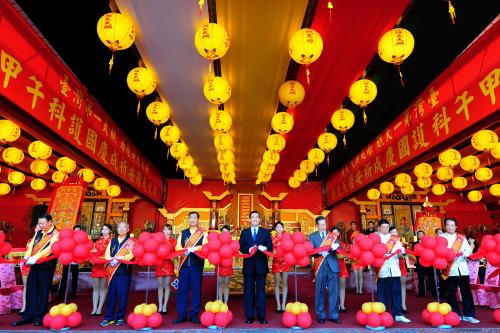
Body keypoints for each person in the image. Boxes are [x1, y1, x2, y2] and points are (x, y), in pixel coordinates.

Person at [12, 213, 59, 327]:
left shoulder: (56, 234)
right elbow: (31, 246)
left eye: (42, 223)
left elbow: (50, 249)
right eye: (39, 223)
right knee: (31, 290)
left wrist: (36, 257)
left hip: (46, 265)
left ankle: (39, 317)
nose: (40, 225)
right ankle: (28, 316)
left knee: (43, 291)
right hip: (34, 264)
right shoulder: (39, 232)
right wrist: (27, 256)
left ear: (50, 222)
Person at [442, 217, 480, 323]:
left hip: (463, 269)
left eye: (452, 225)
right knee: (451, 293)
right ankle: (455, 313)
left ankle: (469, 315)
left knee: (466, 292)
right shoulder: (441, 237)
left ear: (456, 226)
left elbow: (468, 251)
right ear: (445, 226)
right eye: (448, 225)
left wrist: (465, 253)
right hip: (449, 269)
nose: (450, 227)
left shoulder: (462, 238)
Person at [173, 212, 207, 324]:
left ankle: (194, 314)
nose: (192, 220)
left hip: (196, 266)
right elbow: (177, 247)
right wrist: (183, 250)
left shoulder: (203, 233)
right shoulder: (183, 233)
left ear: (198, 219)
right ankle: (181, 315)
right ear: (189, 219)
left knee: (196, 290)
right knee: (182, 291)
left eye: (194, 218)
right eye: (190, 218)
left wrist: (197, 248)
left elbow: (206, 247)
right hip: (184, 266)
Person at [239, 211, 273, 324]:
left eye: (256, 217)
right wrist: (248, 249)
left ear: (259, 220)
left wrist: (265, 248)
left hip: (261, 266)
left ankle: (261, 316)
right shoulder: (244, 232)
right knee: (248, 292)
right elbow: (241, 247)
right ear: (250, 219)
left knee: (261, 292)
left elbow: (270, 247)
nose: (254, 219)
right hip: (248, 266)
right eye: (252, 217)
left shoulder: (265, 232)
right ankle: (249, 316)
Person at [100, 222, 135, 327]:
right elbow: (106, 254)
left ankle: (120, 317)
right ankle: (108, 317)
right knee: (111, 295)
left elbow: (131, 255)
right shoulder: (113, 240)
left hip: (123, 272)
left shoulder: (131, 242)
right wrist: (110, 260)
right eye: (119, 227)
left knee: (122, 296)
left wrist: (120, 259)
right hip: (112, 272)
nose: (121, 229)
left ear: (128, 229)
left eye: (124, 227)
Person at [376, 219, 411, 323]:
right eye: (383, 227)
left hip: (394, 269)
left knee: (396, 291)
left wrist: (404, 252)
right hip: (382, 269)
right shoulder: (376, 238)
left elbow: (401, 250)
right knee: (382, 293)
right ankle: (382, 314)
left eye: (387, 227)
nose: (386, 229)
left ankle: (398, 313)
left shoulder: (394, 239)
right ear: (379, 228)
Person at [310, 216, 341, 324]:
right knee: (320, 291)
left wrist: (336, 246)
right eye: (321, 224)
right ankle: (321, 315)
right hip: (320, 266)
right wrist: (319, 252)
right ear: (317, 225)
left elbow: (340, 249)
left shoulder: (332, 236)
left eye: (324, 224)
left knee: (334, 291)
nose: (323, 226)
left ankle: (334, 315)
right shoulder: (313, 236)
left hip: (332, 266)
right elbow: (310, 251)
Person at [90, 223, 112, 316]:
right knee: (95, 289)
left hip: (105, 266)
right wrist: (92, 257)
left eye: (106, 229)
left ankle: (99, 308)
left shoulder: (112, 241)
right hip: (96, 266)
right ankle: (94, 308)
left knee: (103, 289)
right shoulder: (97, 242)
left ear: (110, 231)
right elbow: (93, 253)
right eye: (103, 229)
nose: (104, 231)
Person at [19, 223, 41, 314]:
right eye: (36, 227)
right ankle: (24, 307)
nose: (38, 229)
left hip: (38, 266)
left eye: (40, 227)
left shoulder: (45, 241)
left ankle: (35, 307)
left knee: (37, 287)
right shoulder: (30, 241)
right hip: (27, 266)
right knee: (26, 286)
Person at [58, 225, 83, 300]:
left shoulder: (81, 240)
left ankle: (73, 294)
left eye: (78, 230)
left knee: (74, 278)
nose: (77, 232)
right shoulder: (69, 238)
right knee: (64, 278)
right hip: (67, 261)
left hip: (75, 262)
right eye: (75, 230)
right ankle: (61, 294)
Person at [156, 224, 177, 314]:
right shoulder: (158, 241)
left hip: (169, 263)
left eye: (169, 230)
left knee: (167, 284)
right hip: (160, 263)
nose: (167, 231)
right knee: (160, 284)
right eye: (165, 229)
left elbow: (176, 254)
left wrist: (176, 263)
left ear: (171, 231)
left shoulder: (174, 241)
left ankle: (165, 305)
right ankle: (160, 305)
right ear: (163, 231)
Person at [389, 227, 408, 313]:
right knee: (393, 286)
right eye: (392, 232)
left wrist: (407, 262)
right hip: (392, 266)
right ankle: (395, 304)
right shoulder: (388, 244)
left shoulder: (401, 243)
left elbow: (406, 255)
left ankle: (403, 305)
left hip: (401, 265)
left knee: (402, 285)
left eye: (396, 232)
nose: (395, 234)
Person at [413, 230, 436, 298]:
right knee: (421, 279)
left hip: (429, 263)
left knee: (431, 279)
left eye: (422, 234)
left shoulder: (429, 243)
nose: (420, 236)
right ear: (417, 236)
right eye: (419, 234)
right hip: (420, 264)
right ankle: (421, 293)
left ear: (424, 235)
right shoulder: (415, 244)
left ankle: (434, 293)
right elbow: (414, 254)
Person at [271, 222, 289, 313]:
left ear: (283, 228)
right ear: (275, 228)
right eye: (278, 227)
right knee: (277, 284)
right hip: (276, 262)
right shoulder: (272, 238)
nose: (279, 228)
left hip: (285, 262)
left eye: (281, 227)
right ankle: (278, 304)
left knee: (285, 283)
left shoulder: (287, 237)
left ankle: (284, 304)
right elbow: (270, 249)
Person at [331, 227, 348, 313]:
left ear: (338, 234)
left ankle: (342, 305)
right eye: (333, 232)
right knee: (334, 287)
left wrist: (339, 255)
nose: (335, 234)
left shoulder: (341, 243)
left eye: (336, 232)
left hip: (341, 266)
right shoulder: (328, 243)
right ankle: (336, 304)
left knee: (342, 286)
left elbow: (344, 254)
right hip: (333, 267)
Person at [217, 225, 233, 304]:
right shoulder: (217, 242)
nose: (225, 234)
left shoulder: (232, 242)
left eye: (226, 232)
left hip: (228, 264)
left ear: (229, 232)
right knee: (220, 284)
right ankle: (220, 301)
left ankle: (226, 303)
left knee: (226, 284)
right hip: (220, 264)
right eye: (223, 232)